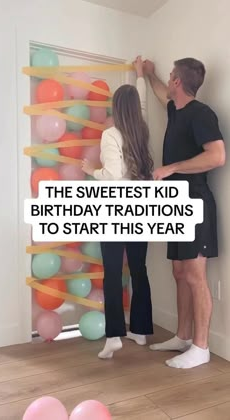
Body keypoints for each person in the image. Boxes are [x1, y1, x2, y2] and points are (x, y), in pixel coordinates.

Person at [143, 57, 225, 368]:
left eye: (170, 75)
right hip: (174, 205)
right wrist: (149, 74)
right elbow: (162, 91)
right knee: (179, 273)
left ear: (179, 81)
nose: (168, 79)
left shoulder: (201, 113)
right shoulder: (174, 109)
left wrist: (172, 168)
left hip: (195, 204)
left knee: (195, 275)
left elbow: (217, 156)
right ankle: (183, 336)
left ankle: (201, 348)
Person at [82, 56, 154, 359]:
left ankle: (113, 335)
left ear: (114, 108)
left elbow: (111, 175)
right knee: (138, 268)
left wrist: (90, 170)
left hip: (114, 208)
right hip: (140, 207)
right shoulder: (142, 129)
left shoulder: (110, 134)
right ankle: (140, 330)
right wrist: (139, 76)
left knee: (112, 271)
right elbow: (141, 106)